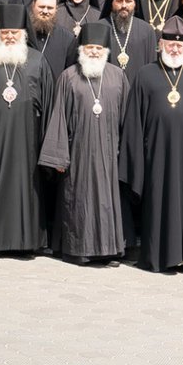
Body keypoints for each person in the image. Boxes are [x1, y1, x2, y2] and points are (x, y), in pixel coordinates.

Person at [119, 18, 183, 273]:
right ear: (160, 44)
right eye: (170, 44)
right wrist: (136, 164)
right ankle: (156, 257)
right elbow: (133, 124)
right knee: (158, 205)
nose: (174, 49)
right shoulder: (144, 75)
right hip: (157, 158)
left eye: (179, 44)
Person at [39, 20, 128, 265]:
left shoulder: (118, 76)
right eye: (89, 47)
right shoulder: (68, 77)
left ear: (106, 50)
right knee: (78, 200)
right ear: (82, 49)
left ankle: (108, 251)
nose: (94, 52)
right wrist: (58, 157)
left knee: (107, 202)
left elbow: (127, 119)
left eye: (98, 48)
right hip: (78, 151)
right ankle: (78, 249)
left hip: (110, 153)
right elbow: (58, 117)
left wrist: (126, 154)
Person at [0, 3, 54, 256]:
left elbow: (49, 104)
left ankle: (26, 242)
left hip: (27, 140)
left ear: (23, 34)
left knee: (27, 187)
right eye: (4, 32)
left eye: (14, 32)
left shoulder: (38, 60)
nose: (9, 36)